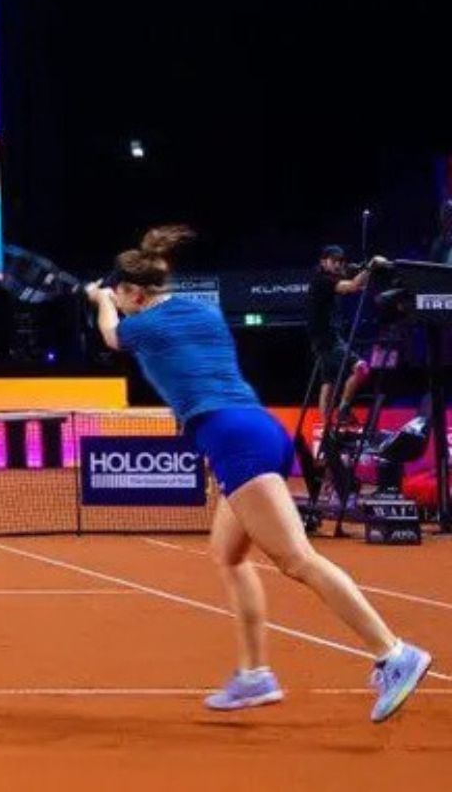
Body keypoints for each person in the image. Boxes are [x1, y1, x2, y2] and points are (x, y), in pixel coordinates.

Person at [86, 225, 430, 721]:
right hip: (262, 430)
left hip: (234, 441)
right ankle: (254, 676)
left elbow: (111, 335)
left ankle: (393, 653)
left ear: (134, 293)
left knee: (298, 560)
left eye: (122, 296)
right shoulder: (204, 312)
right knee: (228, 554)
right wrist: (113, 294)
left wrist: (100, 299)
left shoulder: (143, 326)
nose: (120, 303)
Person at [308, 245, 388, 431]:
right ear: (323, 262)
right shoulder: (323, 281)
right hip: (328, 339)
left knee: (328, 382)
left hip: (324, 337)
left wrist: (363, 271)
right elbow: (352, 286)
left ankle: (327, 429)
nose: (338, 264)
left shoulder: (328, 279)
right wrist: (371, 266)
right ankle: (343, 410)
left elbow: (356, 284)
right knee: (361, 368)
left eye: (340, 261)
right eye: (333, 261)